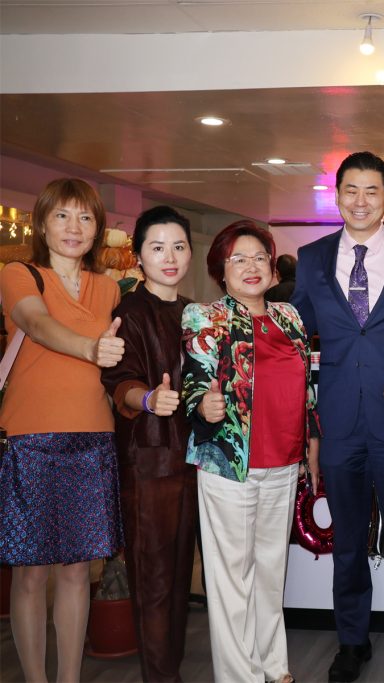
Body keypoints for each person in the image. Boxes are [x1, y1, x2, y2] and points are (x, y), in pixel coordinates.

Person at [291, 151, 384, 683]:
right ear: (336, 197)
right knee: (348, 541)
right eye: (350, 190)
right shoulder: (311, 258)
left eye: (371, 190)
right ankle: (351, 641)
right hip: (336, 425)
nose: (360, 200)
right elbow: (293, 338)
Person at [182, 220, 321, 683]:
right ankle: (240, 676)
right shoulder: (206, 317)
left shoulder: (290, 316)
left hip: (283, 462)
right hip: (230, 463)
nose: (251, 266)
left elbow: (306, 389)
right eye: (238, 259)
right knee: (232, 580)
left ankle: (273, 667)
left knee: (270, 572)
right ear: (220, 270)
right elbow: (195, 382)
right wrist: (204, 404)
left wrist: (311, 442)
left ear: (273, 266)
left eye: (259, 257)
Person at [0, 177, 125, 683]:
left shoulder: (109, 288)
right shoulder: (19, 274)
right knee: (30, 571)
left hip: (93, 437)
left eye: (85, 217)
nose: (74, 228)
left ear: (97, 228)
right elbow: (36, 323)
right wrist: (90, 349)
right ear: (42, 224)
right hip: (31, 437)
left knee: (77, 569)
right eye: (62, 216)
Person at [100, 205, 198, 682]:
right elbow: (119, 381)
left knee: (179, 579)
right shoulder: (130, 312)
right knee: (154, 578)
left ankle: (169, 670)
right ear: (139, 257)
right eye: (158, 248)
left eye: (178, 246)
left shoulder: (194, 312)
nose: (170, 257)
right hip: (149, 465)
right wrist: (148, 399)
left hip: (192, 463)